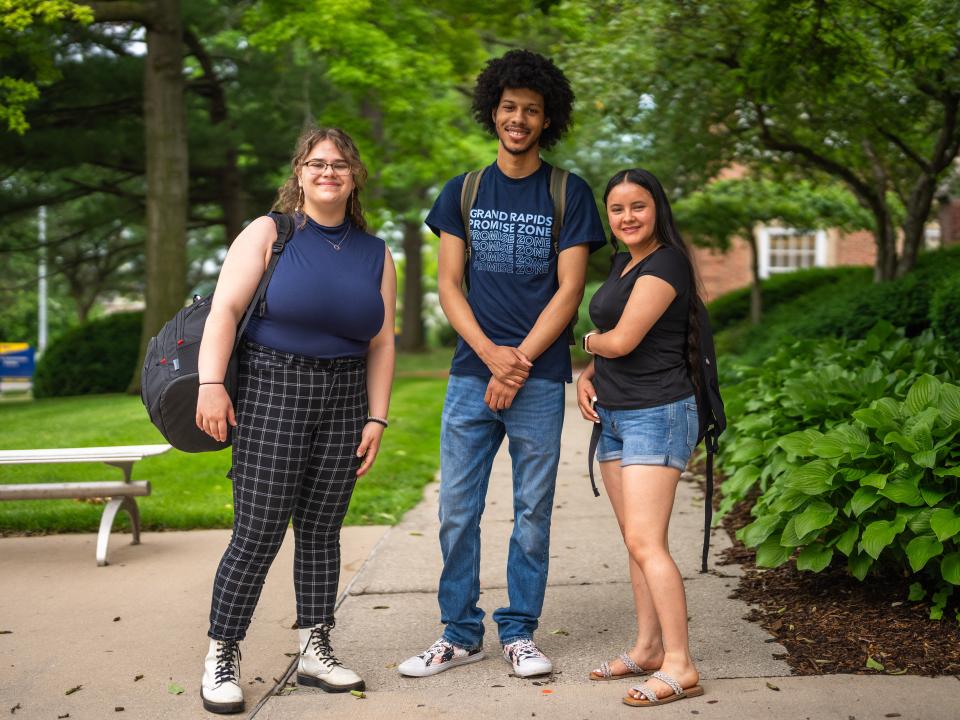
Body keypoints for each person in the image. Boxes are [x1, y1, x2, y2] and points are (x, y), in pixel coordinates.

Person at [397, 49, 605, 680]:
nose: (519, 119)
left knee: (532, 513)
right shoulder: (462, 191)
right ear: (493, 112)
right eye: (510, 107)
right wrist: (491, 357)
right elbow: (449, 288)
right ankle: (459, 633)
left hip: (540, 380)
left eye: (532, 111)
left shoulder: (569, 192)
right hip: (470, 375)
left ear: (548, 121)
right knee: (457, 509)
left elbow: (571, 291)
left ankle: (519, 632)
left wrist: (517, 366)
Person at [195, 127, 396, 715]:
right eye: (316, 163)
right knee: (257, 530)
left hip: (344, 398)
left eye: (339, 164)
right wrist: (211, 384)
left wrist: (376, 417)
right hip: (272, 386)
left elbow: (382, 341)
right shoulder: (270, 232)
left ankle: (315, 647)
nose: (328, 172)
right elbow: (225, 311)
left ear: (354, 175)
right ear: (300, 174)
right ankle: (221, 653)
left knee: (321, 529)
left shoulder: (376, 251)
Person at [577, 168, 706, 707]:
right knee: (635, 539)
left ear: (658, 209)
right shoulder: (623, 262)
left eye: (638, 207)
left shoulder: (667, 262)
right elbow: (616, 345)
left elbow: (624, 338)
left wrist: (587, 341)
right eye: (617, 209)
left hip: (660, 410)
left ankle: (681, 664)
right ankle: (648, 647)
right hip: (617, 414)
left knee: (647, 541)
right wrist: (588, 373)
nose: (627, 217)